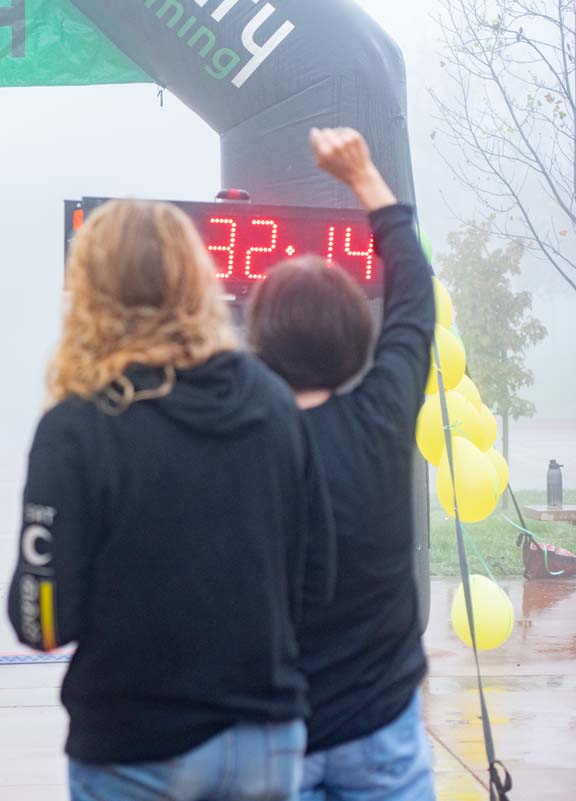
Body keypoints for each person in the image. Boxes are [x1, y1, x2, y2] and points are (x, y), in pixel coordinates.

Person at [7, 199, 336, 801]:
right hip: (266, 735)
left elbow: (43, 622)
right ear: (197, 279)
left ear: (89, 290)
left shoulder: (79, 423)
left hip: (135, 741)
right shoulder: (271, 400)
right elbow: (318, 583)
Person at [247, 128, 437, 801]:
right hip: (382, 730)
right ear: (360, 339)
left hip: (269, 738)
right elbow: (415, 299)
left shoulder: (229, 449)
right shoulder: (383, 418)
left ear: (257, 344)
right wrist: (363, 176)